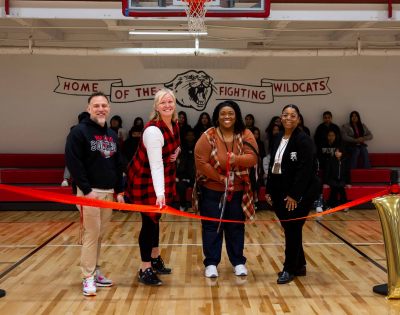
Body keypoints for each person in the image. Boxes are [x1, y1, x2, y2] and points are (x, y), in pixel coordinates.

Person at [65, 91, 125, 296]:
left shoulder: (112, 135)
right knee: (91, 235)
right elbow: (74, 163)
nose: (101, 109)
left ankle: (95, 270)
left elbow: (117, 165)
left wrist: (120, 190)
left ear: (109, 109)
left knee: (99, 236)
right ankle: (87, 277)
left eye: (104, 105)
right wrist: (87, 190)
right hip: (89, 194)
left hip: (108, 193)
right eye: (96, 105)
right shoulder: (78, 132)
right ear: (89, 109)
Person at [193, 100, 258, 278]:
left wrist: (236, 159)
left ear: (236, 115)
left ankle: (238, 262)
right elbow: (200, 163)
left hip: (237, 192)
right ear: (217, 117)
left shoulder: (246, 134)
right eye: (223, 113)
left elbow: (253, 158)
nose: (226, 116)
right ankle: (211, 263)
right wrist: (220, 178)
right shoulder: (208, 136)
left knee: (235, 227)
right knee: (211, 226)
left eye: (230, 113)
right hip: (212, 190)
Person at [125, 89, 180, 286]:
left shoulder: (174, 124)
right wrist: (160, 193)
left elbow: (175, 144)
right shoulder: (153, 131)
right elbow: (156, 165)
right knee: (149, 222)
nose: (167, 105)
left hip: (161, 176)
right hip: (145, 178)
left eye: (170, 101)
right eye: (162, 102)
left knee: (155, 218)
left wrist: (177, 151)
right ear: (156, 107)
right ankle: (145, 268)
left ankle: (155, 259)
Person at [265, 104, 319, 285]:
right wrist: (269, 189)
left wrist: (295, 195)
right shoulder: (277, 136)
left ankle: (289, 270)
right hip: (279, 189)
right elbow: (273, 164)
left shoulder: (303, 140)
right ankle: (300, 264)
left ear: (299, 119)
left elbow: (305, 171)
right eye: (285, 115)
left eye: (293, 115)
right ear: (281, 118)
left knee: (293, 229)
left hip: (300, 192)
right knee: (290, 229)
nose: (288, 118)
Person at [62, 112, 90, 187]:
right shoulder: (75, 130)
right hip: (78, 156)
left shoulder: (93, 131)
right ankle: (65, 180)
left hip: (87, 158)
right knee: (71, 162)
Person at [323, 146, 351, 212]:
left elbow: (348, 172)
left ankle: (344, 206)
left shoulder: (346, 160)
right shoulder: (331, 160)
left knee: (341, 187)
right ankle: (330, 205)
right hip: (332, 179)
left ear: (342, 153)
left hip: (342, 179)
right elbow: (327, 171)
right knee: (335, 187)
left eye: (339, 152)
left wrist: (348, 183)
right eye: (336, 151)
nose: (337, 153)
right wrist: (325, 182)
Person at [176, 129, 196, 211]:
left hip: (190, 177)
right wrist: (178, 178)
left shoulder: (191, 155)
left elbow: (191, 170)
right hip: (181, 178)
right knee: (181, 185)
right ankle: (182, 206)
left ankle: (194, 205)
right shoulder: (176, 157)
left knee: (195, 184)